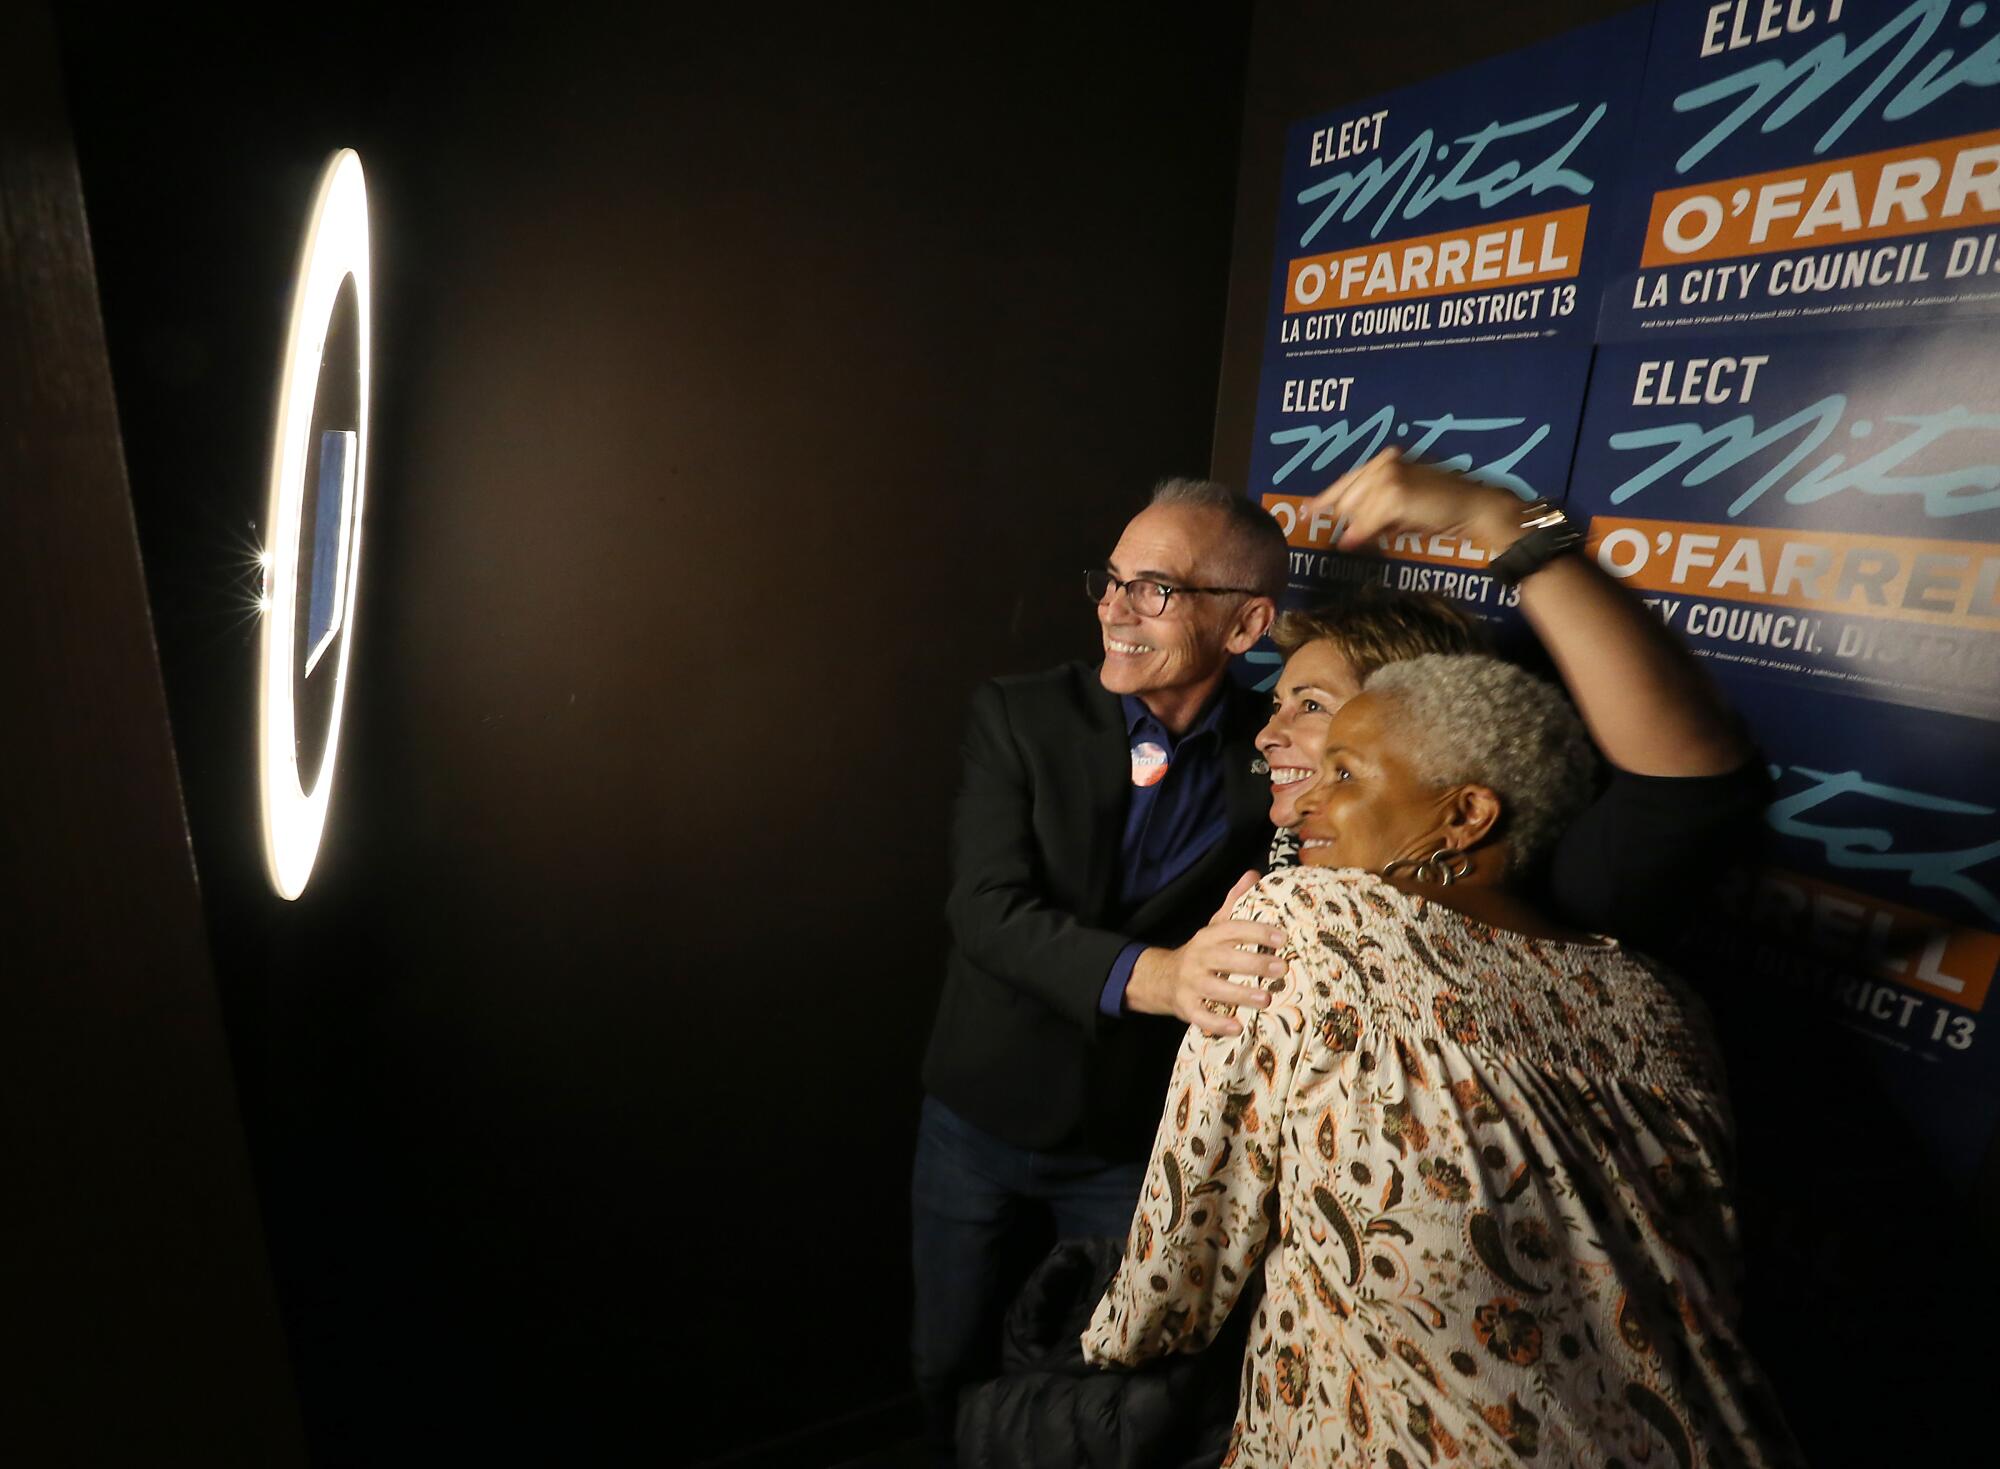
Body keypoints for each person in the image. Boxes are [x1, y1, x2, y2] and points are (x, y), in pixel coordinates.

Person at [1084, 654, 1802, 1467]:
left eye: (1344, 773)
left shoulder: (1312, 920)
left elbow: (1173, 1280)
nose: (1306, 800)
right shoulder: (1663, 1001)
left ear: (1466, 814)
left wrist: (1106, 1346)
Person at [913, 478, 1295, 1464]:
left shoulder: (1278, 747)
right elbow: (984, 911)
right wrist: (1154, 975)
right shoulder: (1017, 715)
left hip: (1136, 1139)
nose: (1111, 608)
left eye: (1153, 587)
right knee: (944, 1358)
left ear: (1245, 620)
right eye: (1111, 580)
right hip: (978, 1115)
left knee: (1108, 1385)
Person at [1257, 449, 1766, 945]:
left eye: (1313, 705)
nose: (1266, 736)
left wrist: (1498, 517)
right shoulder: (1276, 832)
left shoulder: (1558, 889)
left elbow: (1693, 776)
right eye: (1277, 705)